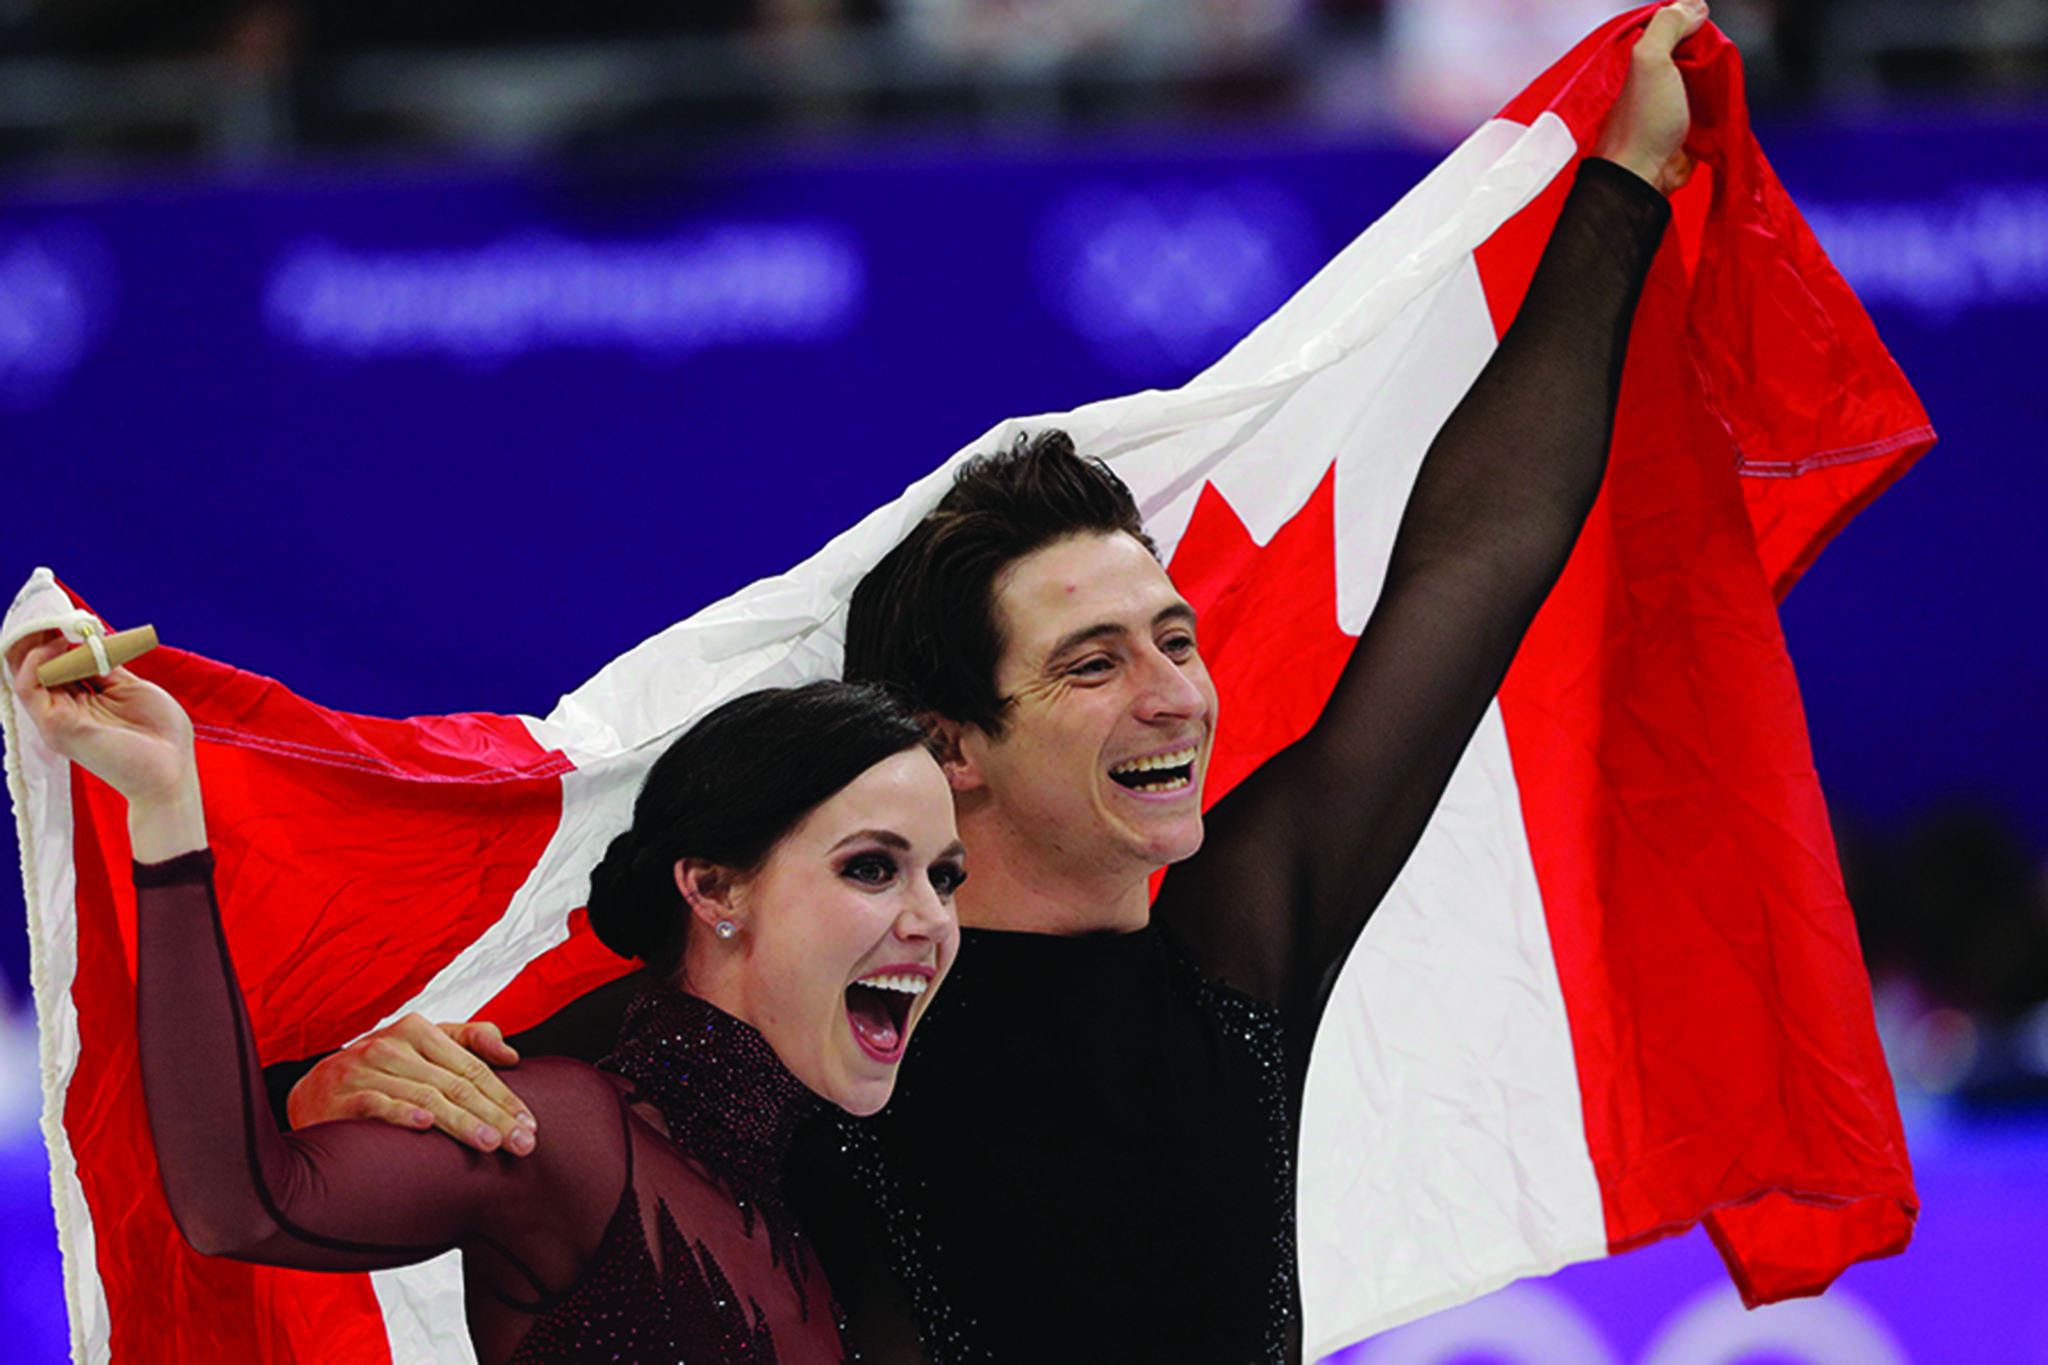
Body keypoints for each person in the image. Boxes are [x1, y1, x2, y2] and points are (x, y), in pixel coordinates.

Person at [279, 4, 1709, 1359]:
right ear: (947, 745)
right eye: (1094, 662)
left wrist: (1628, 179)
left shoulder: (1240, 948)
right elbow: (359, 1154)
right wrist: (339, 1089)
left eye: (1176, 638)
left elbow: (1475, 561)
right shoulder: (784, 1001)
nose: (1174, 694)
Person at [5, 646, 964, 1365]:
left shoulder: (797, 1215)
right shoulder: (567, 1129)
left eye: (947, 876)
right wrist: (169, 811)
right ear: (714, 890)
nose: (931, 919)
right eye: (873, 867)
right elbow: (244, 1205)